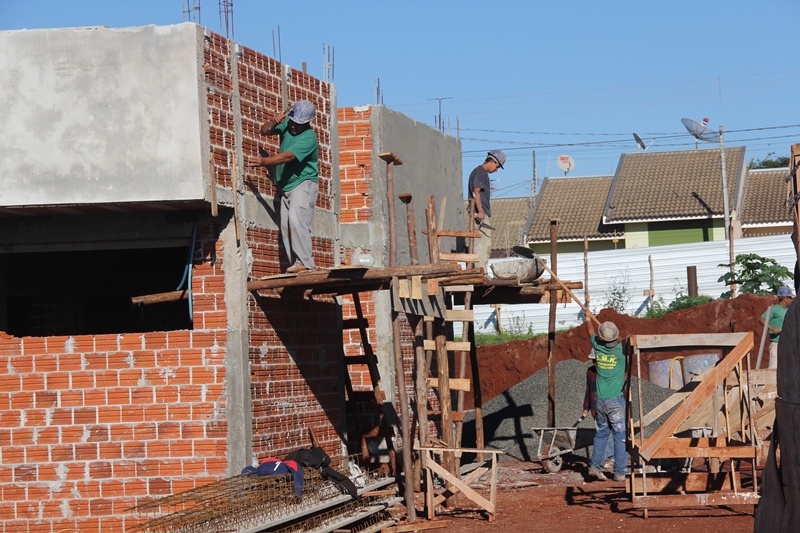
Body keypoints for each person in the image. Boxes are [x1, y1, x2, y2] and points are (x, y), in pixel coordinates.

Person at [248, 100, 319, 273]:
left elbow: (287, 157)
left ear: (307, 123)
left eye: (298, 124)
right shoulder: (288, 124)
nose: (293, 126)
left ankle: (306, 264)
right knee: (286, 227)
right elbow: (264, 131)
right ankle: (296, 264)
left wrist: (264, 161)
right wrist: (274, 122)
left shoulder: (309, 138)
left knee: (297, 220)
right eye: (293, 122)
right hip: (286, 186)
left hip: (303, 183)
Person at [587, 321, 628, 482]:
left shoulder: (597, 346)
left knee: (601, 434)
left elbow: (590, 331)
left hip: (599, 400)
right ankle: (620, 472)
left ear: (601, 337)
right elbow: (628, 340)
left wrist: (588, 318)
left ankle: (595, 467)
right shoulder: (622, 351)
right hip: (615, 400)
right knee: (619, 436)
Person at [468, 149, 505, 269]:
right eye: (497, 166)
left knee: (480, 243)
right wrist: (480, 211)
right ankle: (480, 271)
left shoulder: (480, 172)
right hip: (479, 213)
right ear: (492, 161)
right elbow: (476, 192)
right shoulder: (480, 172)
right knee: (483, 244)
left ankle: (477, 270)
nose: (496, 170)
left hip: (479, 212)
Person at [583, 362, 614, 470]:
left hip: (611, 407)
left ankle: (608, 458)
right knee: (602, 434)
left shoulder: (610, 370)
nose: (595, 363)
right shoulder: (591, 372)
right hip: (596, 408)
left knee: (606, 434)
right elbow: (588, 390)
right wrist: (586, 408)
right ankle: (605, 460)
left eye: (596, 360)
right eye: (593, 361)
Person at [758, 285, 795, 369]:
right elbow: (762, 319)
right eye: (790, 298)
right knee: (774, 367)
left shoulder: (789, 311)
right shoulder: (774, 309)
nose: (791, 300)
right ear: (785, 298)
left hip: (787, 344)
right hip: (776, 343)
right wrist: (772, 328)